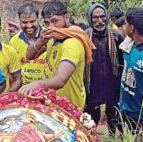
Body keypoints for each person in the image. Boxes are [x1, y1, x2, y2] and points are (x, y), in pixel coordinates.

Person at [19, 0, 87, 109]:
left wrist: (36, 84)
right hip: (53, 102)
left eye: (55, 21)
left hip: (70, 106)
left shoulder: (71, 44)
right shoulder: (53, 39)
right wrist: (41, 41)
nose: (50, 27)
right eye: (46, 23)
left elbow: (60, 80)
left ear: (67, 17)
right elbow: (29, 56)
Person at [84, 3, 124, 134]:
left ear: (107, 17)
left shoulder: (117, 36)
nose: (100, 21)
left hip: (112, 83)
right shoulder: (84, 37)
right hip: (92, 83)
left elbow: (123, 62)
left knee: (113, 115)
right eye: (95, 18)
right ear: (90, 19)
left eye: (102, 17)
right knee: (91, 115)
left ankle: (113, 140)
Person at [9, 3, 49, 85]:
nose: (29, 25)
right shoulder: (13, 41)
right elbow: (13, 70)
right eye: (24, 22)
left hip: (46, 87)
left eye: (32, 21)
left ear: (38, 19)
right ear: (19, 21)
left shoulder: (49, 37)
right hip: (23, 88)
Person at [119, 8, 143, 129]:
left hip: (139, 117)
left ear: (132, 28)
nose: (123, 27)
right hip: (125, 108)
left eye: (125, 24)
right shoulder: (129, 44)